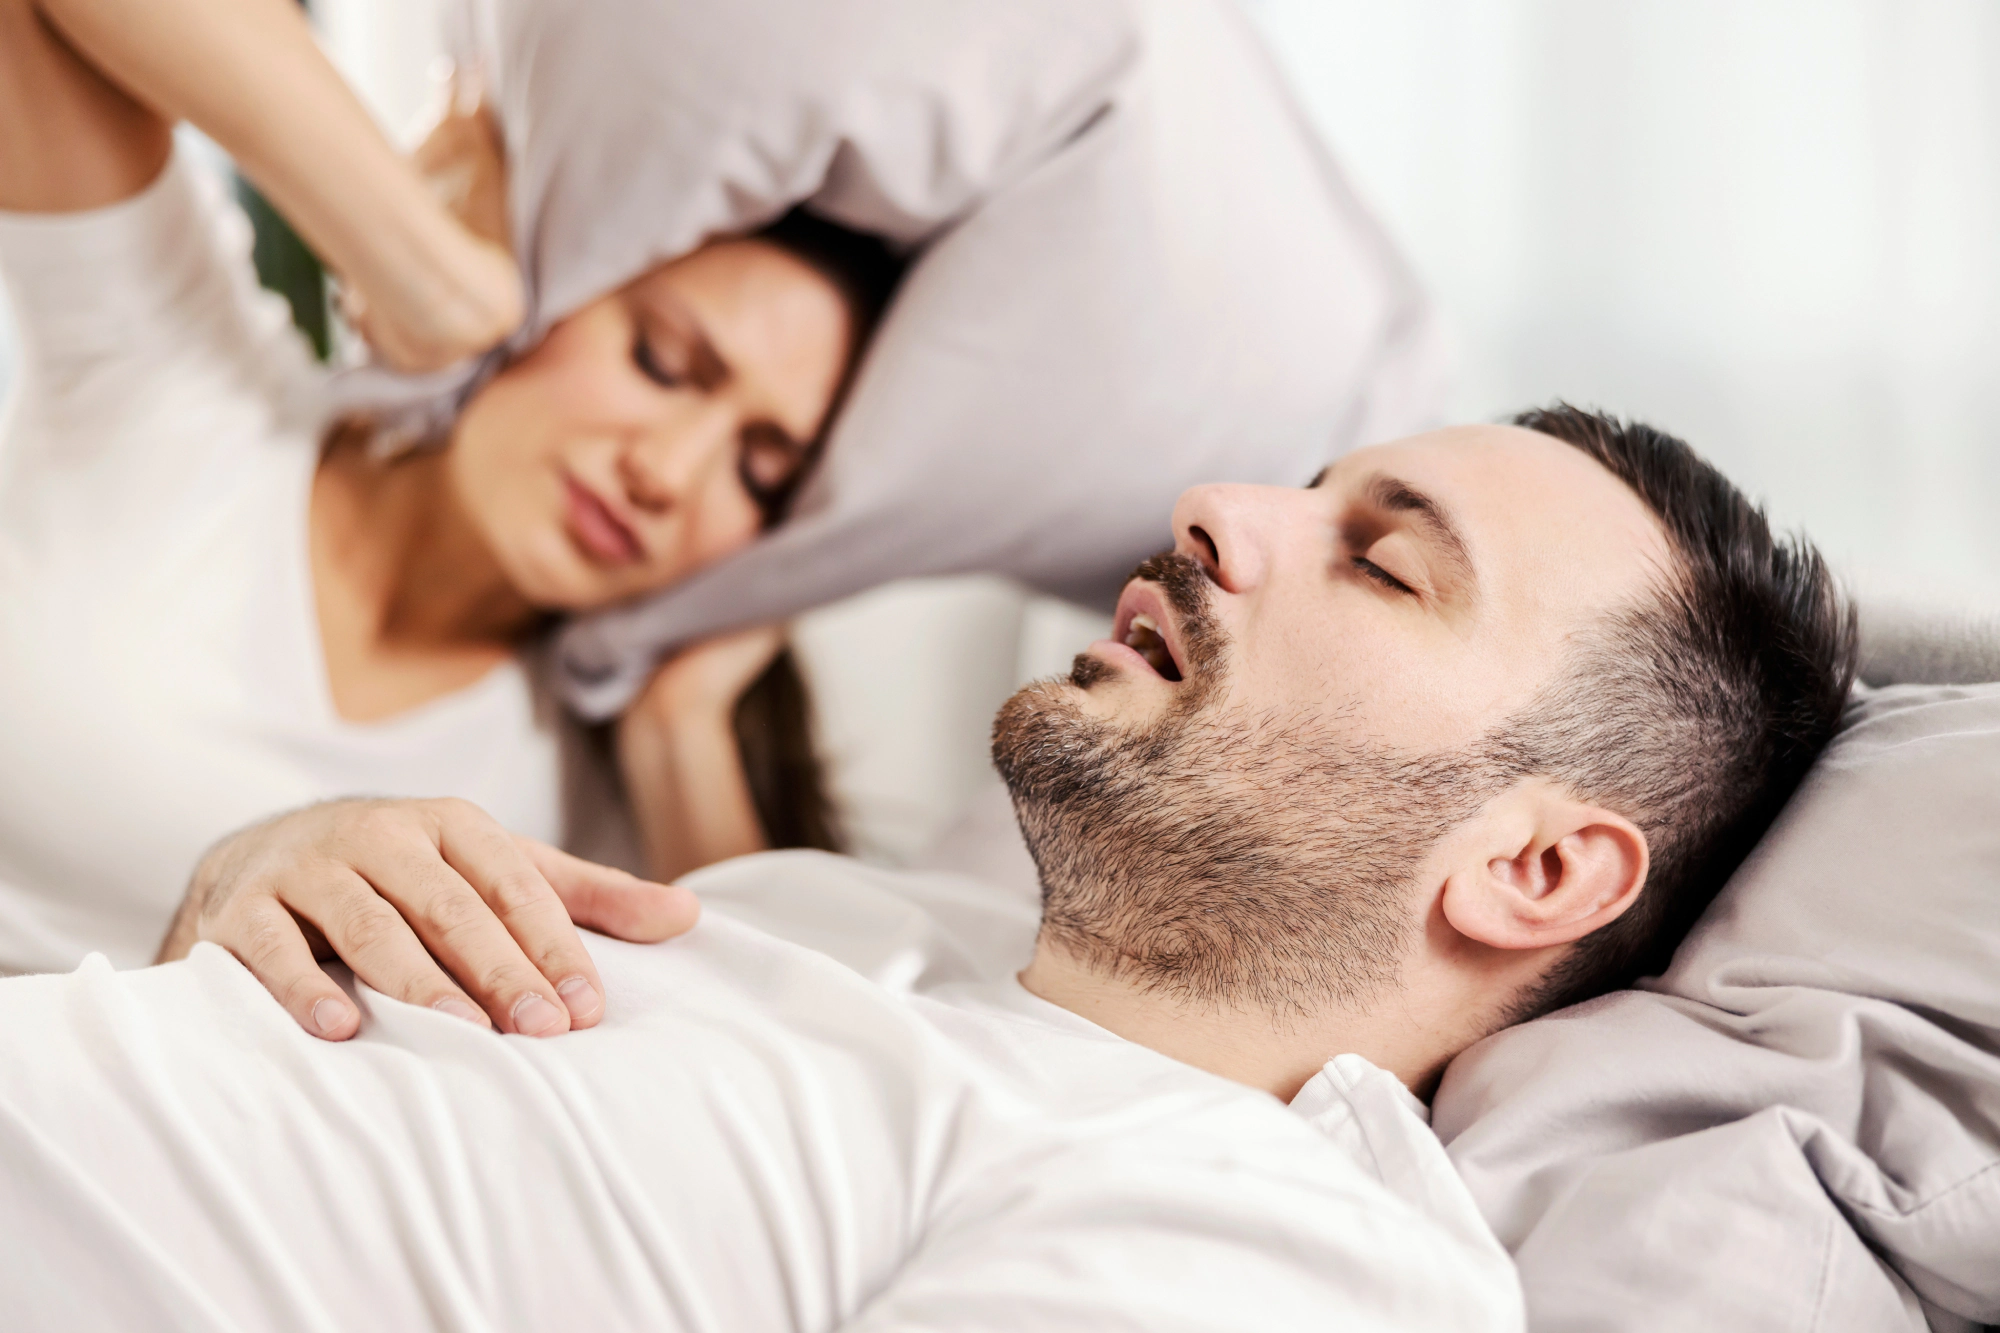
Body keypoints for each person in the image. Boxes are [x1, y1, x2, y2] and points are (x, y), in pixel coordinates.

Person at [0, 408, 1853, 1328]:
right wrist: (260, 891)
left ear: (1534, 867)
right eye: (1310, 483)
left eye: (1382, 562)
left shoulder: (1281, 1251)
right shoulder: (862, 922)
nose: (1223, 508)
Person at [0, 0, 897, 998]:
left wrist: (679, 731)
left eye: (759, 472)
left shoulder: (595, 804)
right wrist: (438, 277)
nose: (669, 473)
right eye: (658, 359)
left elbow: (785, 1067)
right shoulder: (182, 384)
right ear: (549, 293)